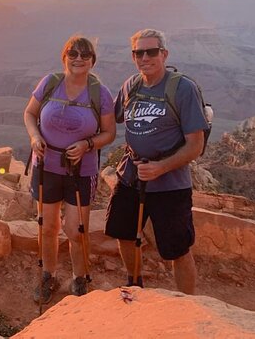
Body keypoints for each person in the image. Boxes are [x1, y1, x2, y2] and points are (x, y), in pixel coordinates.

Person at [105, 29, 208, 295]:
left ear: (164, 54)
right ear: (133, 56)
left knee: (177, 248)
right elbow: (110, 116)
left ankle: (187, 303)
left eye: (152, 51)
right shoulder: (131, 85)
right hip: (131, 176)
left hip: (171, 184)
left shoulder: (182, 88)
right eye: (139, 52)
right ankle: (135, 283)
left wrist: (161, 167)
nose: (145, 57)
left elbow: (195, 145)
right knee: (124, 232)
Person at [24, 35, 116, 302]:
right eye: (73, 54)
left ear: (92, 61)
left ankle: (79, 277)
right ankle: (48, 275)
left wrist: (88, 144)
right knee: (47, 226)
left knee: (77, 230)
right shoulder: (50, 83)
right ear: (64, 57)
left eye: (85, 55)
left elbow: (109, 133)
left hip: (81, 170)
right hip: (46, 165)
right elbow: (29, 113)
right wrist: (34, 137)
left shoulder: (100, 93)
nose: (78, 59)